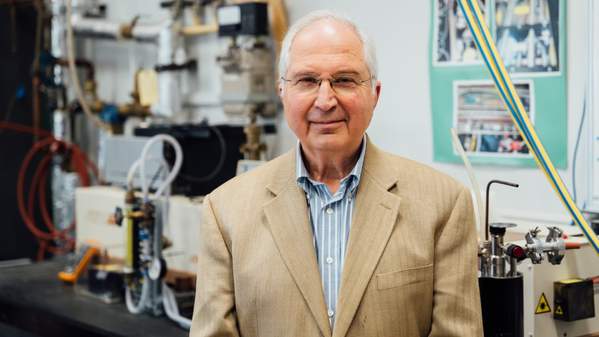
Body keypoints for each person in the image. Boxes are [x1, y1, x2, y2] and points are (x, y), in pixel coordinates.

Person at [190, 10, 483, 337]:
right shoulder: (226, 210)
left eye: (344, 80)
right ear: (283, 92)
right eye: (307, 81)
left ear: (375, 94)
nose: (325, 100)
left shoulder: (443, 204)